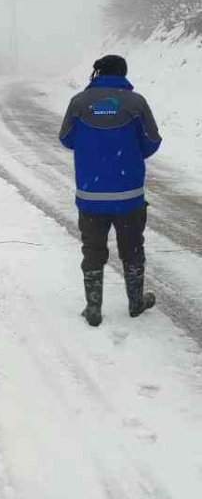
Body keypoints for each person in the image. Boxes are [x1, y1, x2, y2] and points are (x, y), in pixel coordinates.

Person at [58, 54, 161, 327]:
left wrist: (93, 143)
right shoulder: (136, 103)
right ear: (122, 74)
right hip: (129, 196)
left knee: (92, 249)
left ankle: (93, 307)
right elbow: (152, 142)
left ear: (97, 73)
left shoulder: (79, 102)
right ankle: (136, 302)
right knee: (132, 249)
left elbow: (66, 139)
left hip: (91, 196)